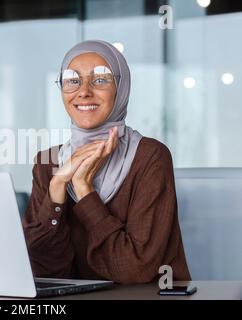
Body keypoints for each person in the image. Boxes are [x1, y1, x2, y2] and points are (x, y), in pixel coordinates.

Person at [23, 40, 191, 284]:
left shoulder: (150, 157)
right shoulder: (47, 163)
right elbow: (42, 271)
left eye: (100, 79)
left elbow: (133, 270)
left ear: (121, 88)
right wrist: (58, 186)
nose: (84, 91)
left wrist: (84, 189)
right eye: (72, 80)